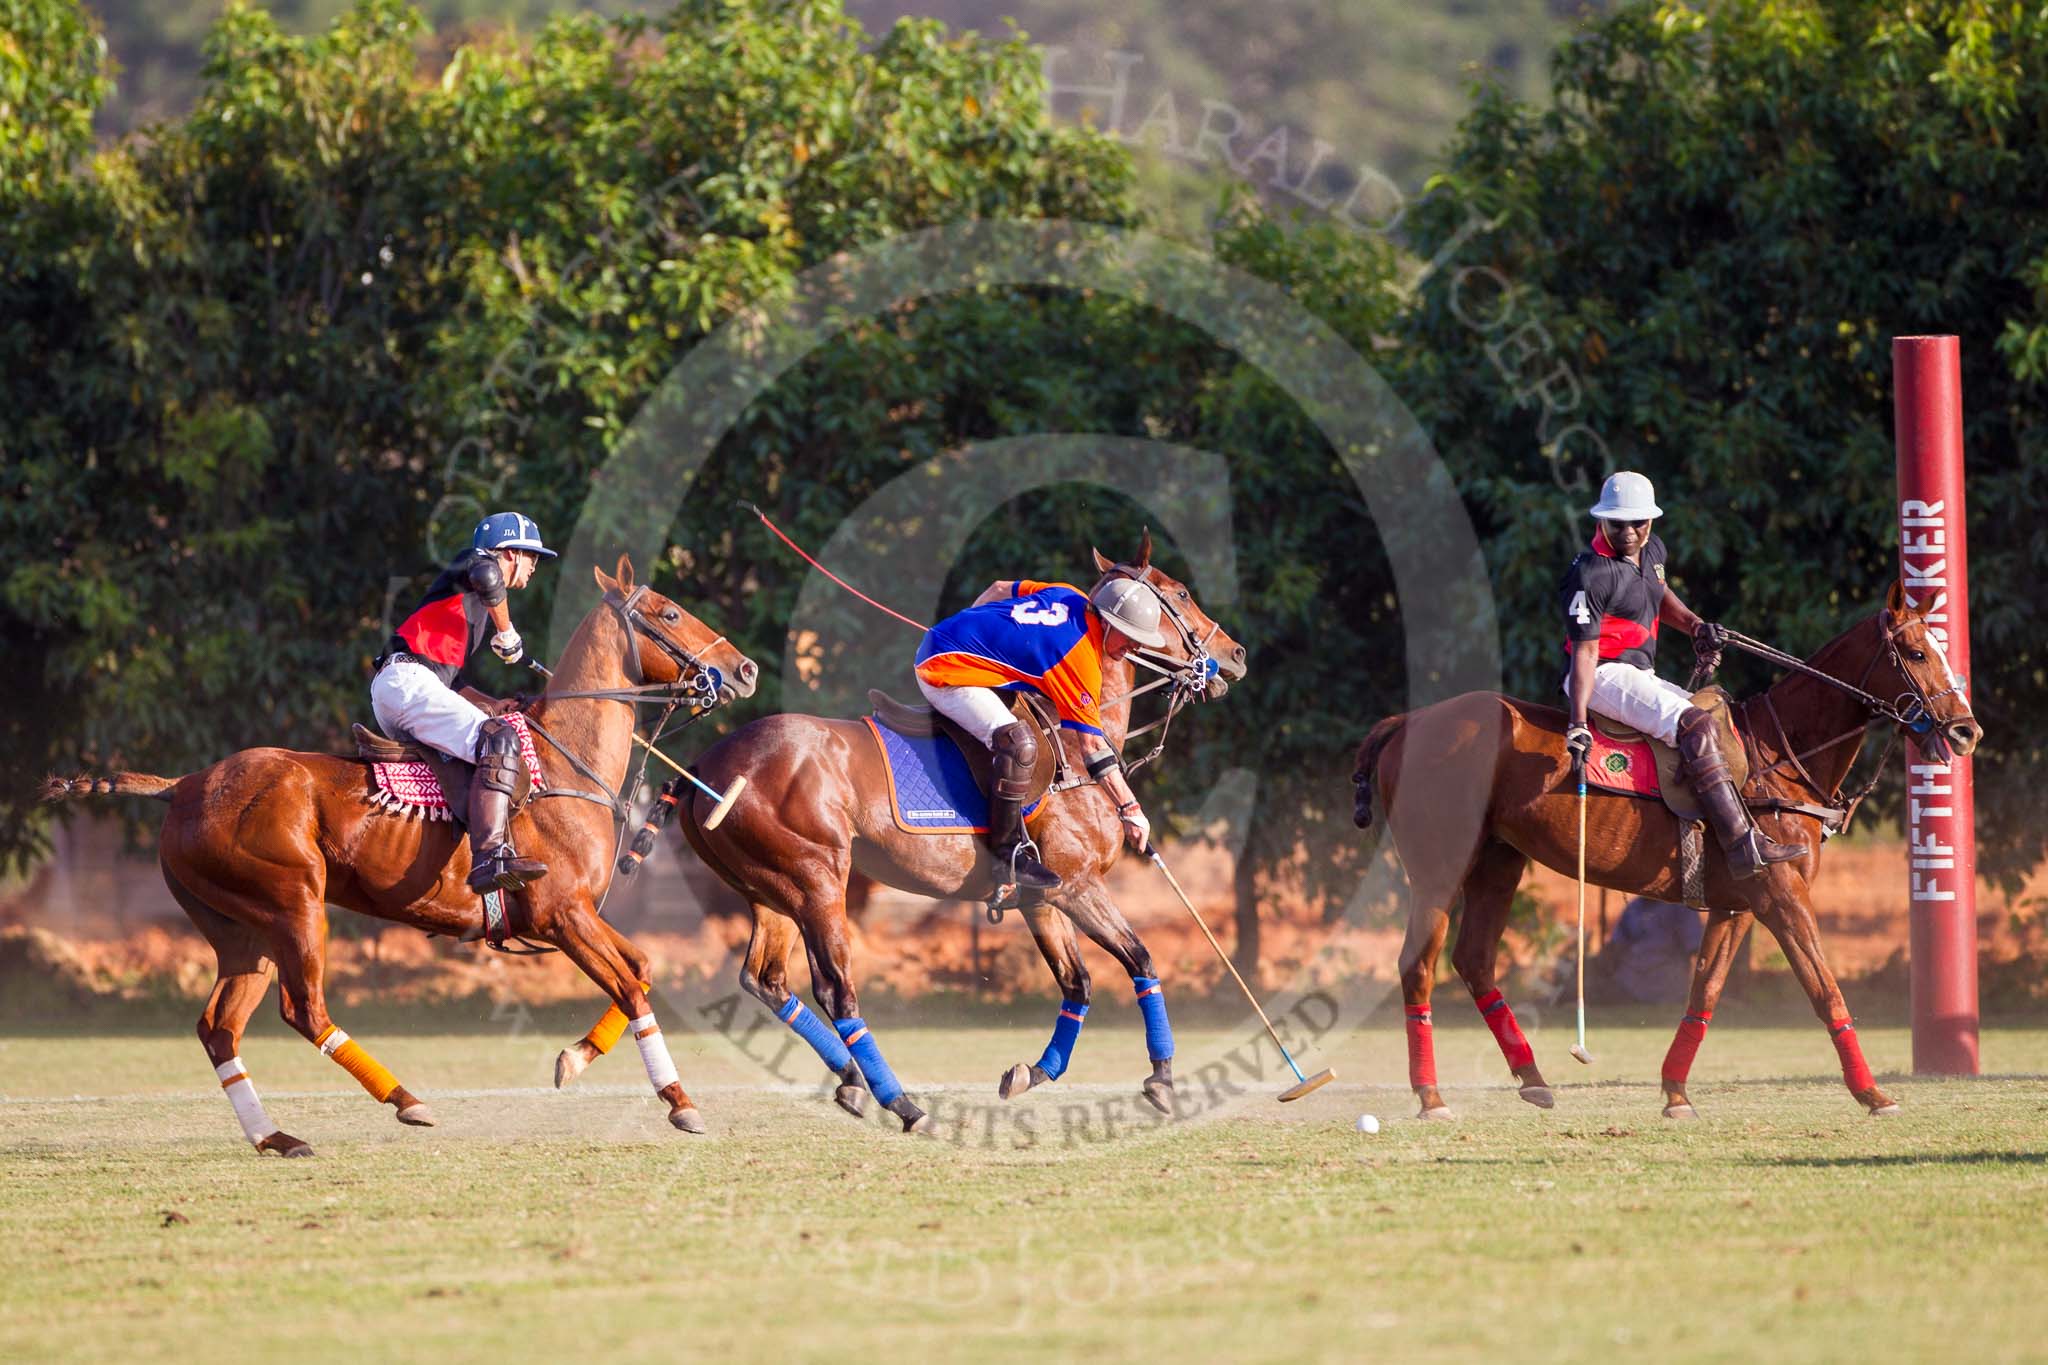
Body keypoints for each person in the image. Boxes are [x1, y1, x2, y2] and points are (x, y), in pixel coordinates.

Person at [1559, 472, 1800, 880]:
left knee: (1716, 714)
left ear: (1651, 521)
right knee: (1695, 724)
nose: (1630, 532)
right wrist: (1577, 722)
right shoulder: (1590, 574)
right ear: (1601, 521)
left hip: (1638, 671)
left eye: (1639, 522)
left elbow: (1658, 592)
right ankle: (1741, 844)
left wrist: (1694, 625)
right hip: (1600, 672)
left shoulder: (1653, 551)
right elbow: (1584, 649)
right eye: (1619, 524)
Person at [913, 575, 1164, 893]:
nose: (1134, 648)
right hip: (943, 671)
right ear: (1108, 621)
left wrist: (970, 626)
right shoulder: (1080, 659)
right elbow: (1092, 747)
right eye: (1129, 637)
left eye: (1140, 642)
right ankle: (1006, 857)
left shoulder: (1070, 594)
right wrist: (1130, 809)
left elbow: (998, 588)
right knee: (1018, 744)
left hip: (946, 636)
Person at [372, 513, 555, 893]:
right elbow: (487, 574)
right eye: (531, 556)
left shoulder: (468, 612)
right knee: (500, 741)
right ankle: (489, 857)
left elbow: (451, 685)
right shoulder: (472, 563)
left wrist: (494, 704)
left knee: (493, 731)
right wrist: (508, 631)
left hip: (410, 685)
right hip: (406, 681)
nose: (534, 567)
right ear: (508, 553)